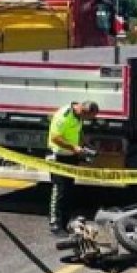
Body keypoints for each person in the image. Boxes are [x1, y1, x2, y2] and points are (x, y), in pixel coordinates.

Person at [47, 100, 99, 235]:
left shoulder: (78, 116)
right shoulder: (64, 116)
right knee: (59, 189)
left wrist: (86, 143)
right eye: (89, 117)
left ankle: (65, 220)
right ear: (83, 111)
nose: (88, 120)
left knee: (68, 188)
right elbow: (55, 138)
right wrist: (74, 147)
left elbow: (78, 130)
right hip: (58, 155)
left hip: (70, 156)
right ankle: (55, 224)